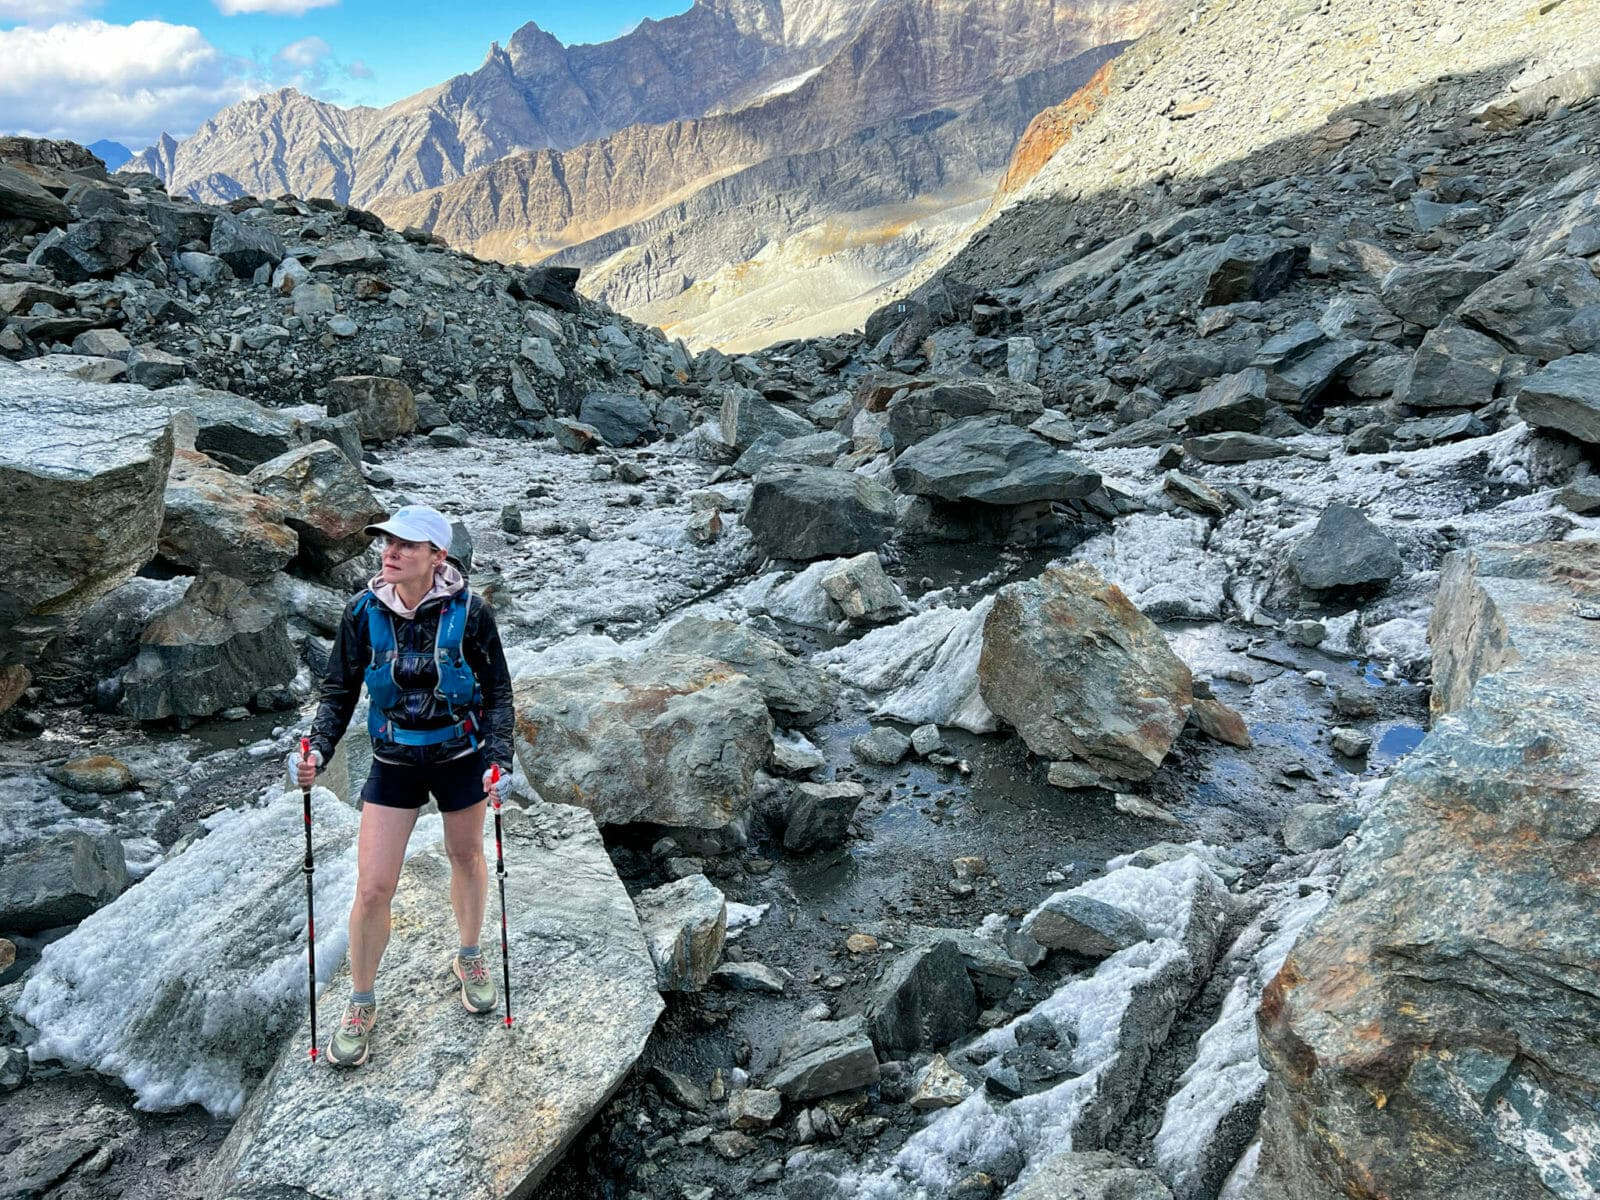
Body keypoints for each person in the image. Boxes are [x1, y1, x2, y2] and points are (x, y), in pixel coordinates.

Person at [289, 504, 514, 1068]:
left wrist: (498, 759)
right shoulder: (362, 611)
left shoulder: (473, 612)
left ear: (438, 557)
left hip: (461, 756)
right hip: (394, 760)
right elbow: (339, 691)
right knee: (372, 888)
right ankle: (361, 1000)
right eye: (387, 541)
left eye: (406, 545)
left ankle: (469, 955)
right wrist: (318, 747)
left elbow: (499, 693)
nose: (390, 552)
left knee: (465, 856)